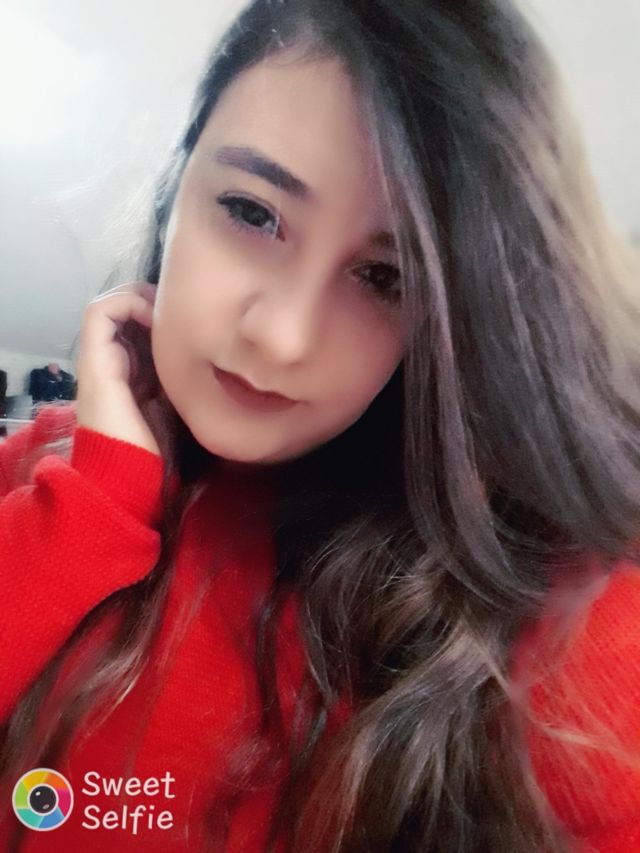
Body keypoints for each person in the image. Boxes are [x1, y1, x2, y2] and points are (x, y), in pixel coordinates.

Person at [1, 0, 639, 850]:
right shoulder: (40, 472)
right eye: (252, 212)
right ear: (177, 185)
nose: (283, 336)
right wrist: (91, 506)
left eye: (384, 276)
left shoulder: (543, 614)